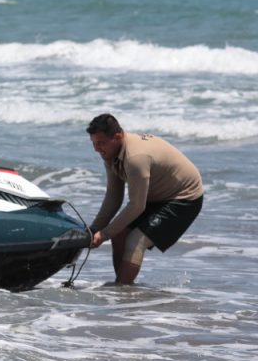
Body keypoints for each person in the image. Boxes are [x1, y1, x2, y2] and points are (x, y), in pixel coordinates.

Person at [86, 113, 204, 285]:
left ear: (117, 136)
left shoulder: (135, 158)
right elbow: (113, 196)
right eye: (94, 143)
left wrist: (103, 235)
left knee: (135, 240)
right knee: (118, 235)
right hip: (156, 196)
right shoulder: (110, 153)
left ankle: (122, 291)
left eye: (101, 143)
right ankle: (122, 288)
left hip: (184, 198)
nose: (96, 149)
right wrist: (94, 229)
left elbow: (136, 206)